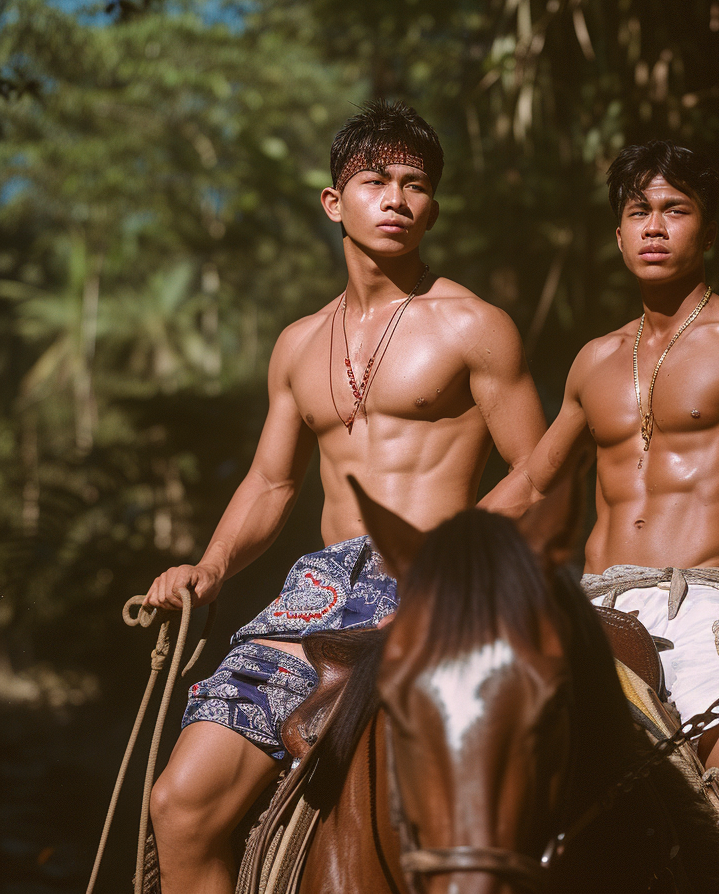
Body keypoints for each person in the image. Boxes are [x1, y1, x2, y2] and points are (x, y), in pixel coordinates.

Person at [142, 100, 547, 894]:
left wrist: (456, 566)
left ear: (433, 205)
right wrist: (211, 567)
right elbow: (272, 481)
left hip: (431, 586)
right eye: (375, 180)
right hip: (318, 592)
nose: (396, 198)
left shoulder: (473, 325)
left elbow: (537, 474)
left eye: (415, 183)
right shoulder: (298, 342)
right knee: (181, 803)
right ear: (335, 203)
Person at [489, 141, 719, 893]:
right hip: (587, 611)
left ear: (707, 233)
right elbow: (534, 484)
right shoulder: (594, 361)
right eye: (638, 212)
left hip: (698, 609)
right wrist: (415, 555)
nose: (654, 227)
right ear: (616, 233)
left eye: (675, 210)